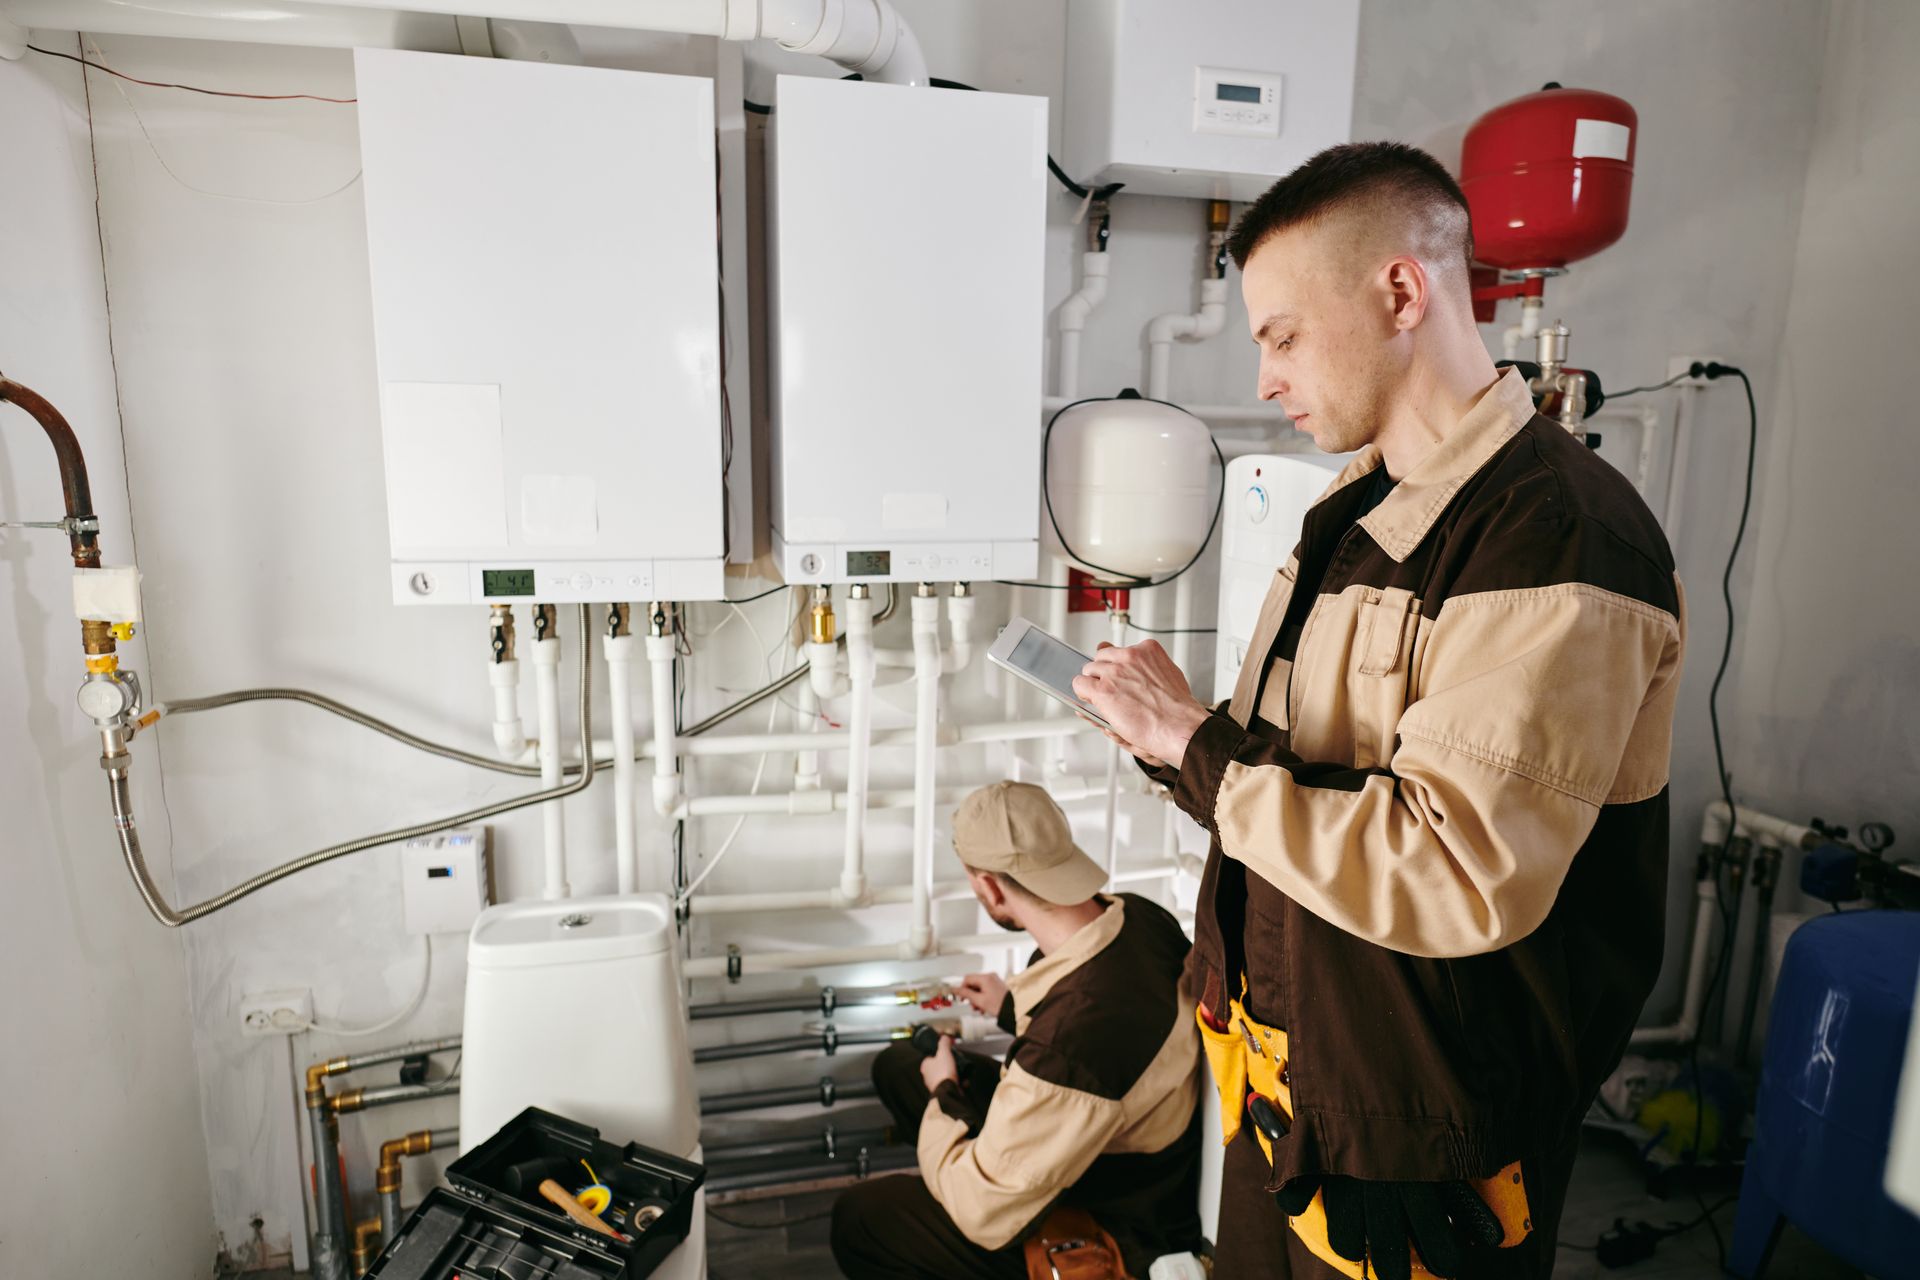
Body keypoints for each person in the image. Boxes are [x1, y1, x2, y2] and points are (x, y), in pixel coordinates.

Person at [1073, 142, 1686, 1280]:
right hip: (1294, 1080)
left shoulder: (1553, 535)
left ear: (1401, 292)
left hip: (1424, 1129)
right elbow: (1309, 769)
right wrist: (1168, 740)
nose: (1264, 376)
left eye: (1282, 334)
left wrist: (1197, 749)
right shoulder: (1356, 510)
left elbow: (1449, 865)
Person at [830, 780, 1204, 1279]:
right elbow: (1115, 1016)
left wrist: (944, 1091)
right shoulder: (1136, 915)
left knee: (863, 1218)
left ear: (986, 885)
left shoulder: (1067, 1047)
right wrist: (1011, 1007)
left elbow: (983, 1213)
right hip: (1126, 1135)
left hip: (1121, 1208)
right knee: (899, 1067)